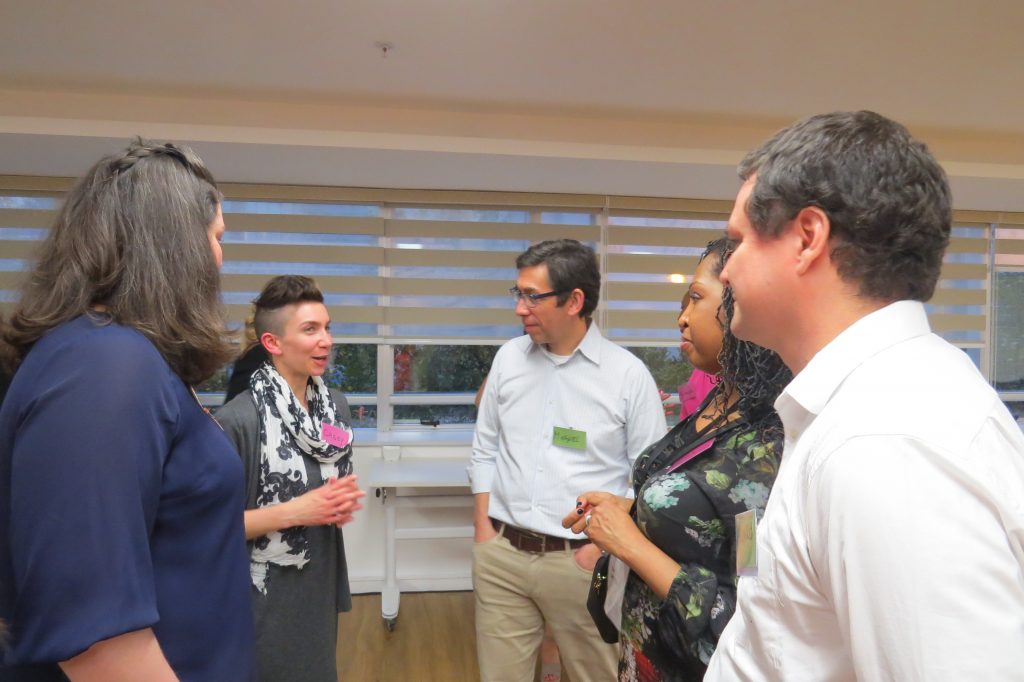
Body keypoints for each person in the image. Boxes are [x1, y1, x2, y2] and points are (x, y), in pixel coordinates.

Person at [704, 111, 1024, 681]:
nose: (725, 272)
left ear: (807, 238)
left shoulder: (885, 442)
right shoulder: (870, 404)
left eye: (740, 241)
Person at [0, 140, 254, 681]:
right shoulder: (104, 363)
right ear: (174, 245)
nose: (220, 258)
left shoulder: (127, 359)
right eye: (216, 237)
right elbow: (95, 638)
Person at [564, 238, 791, 680]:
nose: (682, 317)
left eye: (696, 298)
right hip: (644, 656)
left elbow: (742, 604)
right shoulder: (719, 403)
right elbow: (703, 522)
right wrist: (633, 509)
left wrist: (628, 543)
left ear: (742, 307)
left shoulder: (764, 446)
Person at [469, 238, 667, 682]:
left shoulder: (627, 376)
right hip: (501, 555)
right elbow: (485, 448)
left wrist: (599, 550)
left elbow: (651, 482)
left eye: (532, 296)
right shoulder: (508, 360)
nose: (519, 308)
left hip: (581, 563)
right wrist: (484, 530)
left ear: (574, 301)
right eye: (518, 293)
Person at [216, 275, 365, 682]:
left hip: (318, 584)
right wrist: (299, 510)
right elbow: (212, 528)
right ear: (273, 343)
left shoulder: (335, 409)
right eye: (310, 330)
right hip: (262, 596)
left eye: (327, 327)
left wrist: (338, 499)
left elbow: (333, 460)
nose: (326, 341)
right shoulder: (237, 422)